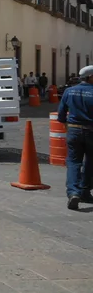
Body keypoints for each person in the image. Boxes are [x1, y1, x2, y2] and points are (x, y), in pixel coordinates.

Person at [57, 64, 93, 210]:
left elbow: (60, 114)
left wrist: (67, 124)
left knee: (73, 162)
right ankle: (85, 191)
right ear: (91, 77)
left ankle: (73, 193)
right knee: (90, 162)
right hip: (91, 131)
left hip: (73, 130)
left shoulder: (69, 91)